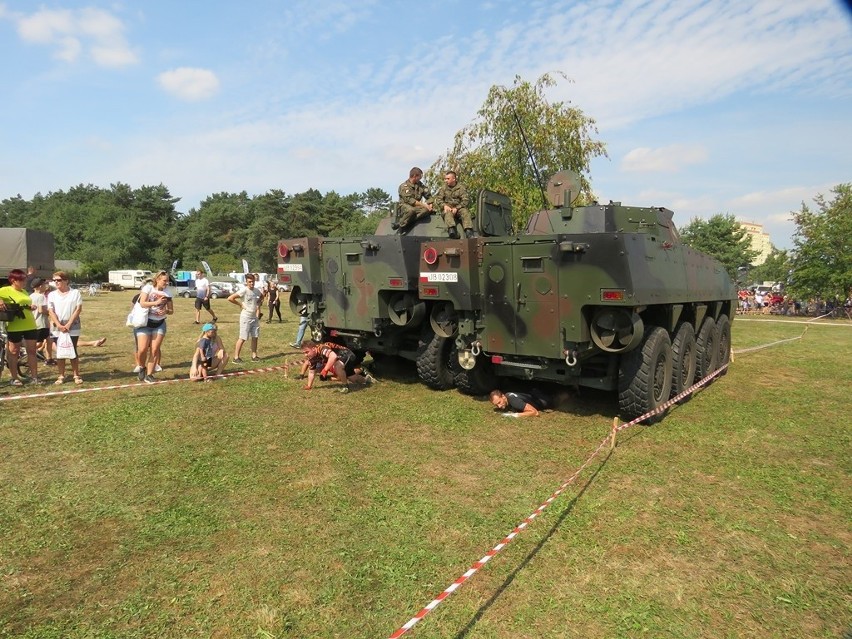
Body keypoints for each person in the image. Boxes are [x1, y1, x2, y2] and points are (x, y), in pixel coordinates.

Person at [0, 268, 42, 386]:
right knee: (13, 352)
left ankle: (34, 377)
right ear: (13, 280)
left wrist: (30, 306)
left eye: (24, 280)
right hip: (14, 326)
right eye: (21, 280)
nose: (24, 282)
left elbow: (24, 304)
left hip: (29, 324)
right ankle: (14, 377)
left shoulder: (23, 291)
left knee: (32, 351)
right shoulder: (5, 290)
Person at [134, 270, 174, 384]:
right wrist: (156, 303)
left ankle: (150, 374)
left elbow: (171, 311)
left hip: (160, 324)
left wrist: (165, 310)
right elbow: (142, 303)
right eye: (164, 281)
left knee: (155, 349)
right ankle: (142, 367)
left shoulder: (168, 293)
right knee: (142, 349)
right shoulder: (148, 288)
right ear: (157, 280)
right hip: (145, 323)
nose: (166, 283)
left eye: (168, 281)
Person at [47, 270, 84, 385]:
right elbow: (50, 310)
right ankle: (61, 375)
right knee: (60, 351)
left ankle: (76, 375)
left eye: (59, 280)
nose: (56, 282)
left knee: (72, 349)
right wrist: (58, 324)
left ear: (66, 281)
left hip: (73, 325)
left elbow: (78, 309)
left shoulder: (75, 293)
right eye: (55, 280)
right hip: (57, 326)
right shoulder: (51, 295)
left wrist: (68, 324)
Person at [300, 341, 373, 393]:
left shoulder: (322, 348)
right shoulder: (312, 358)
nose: (305, 355)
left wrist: (325, 370)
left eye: (307, 352)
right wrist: (309, 386)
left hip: (347, 354)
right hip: (341, 359)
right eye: (304, 353)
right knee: (352, 378)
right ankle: (367, 380)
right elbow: (311, 372)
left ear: (313, 348)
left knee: (337, 365)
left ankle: (345, 387)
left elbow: (333, 356)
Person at [228, 273, 263, 363]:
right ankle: (236, 358)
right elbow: (230, 298)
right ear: (246, 282)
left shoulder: (256, 290)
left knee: (255, 336)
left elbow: (262, 296)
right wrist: (240, 304)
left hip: (254, 317)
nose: (252, 283)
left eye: (253, 282)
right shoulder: (243, 290)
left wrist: (259, 304)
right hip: (245, 317)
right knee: (243, 337)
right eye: (250, 282)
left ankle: (254, 356)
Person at [434, 170, 474, 239]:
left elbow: (466, 200)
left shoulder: (461, 188)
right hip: (447, 208)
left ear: (454, 179)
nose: (446, 180)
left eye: (448, 179)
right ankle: (452, 230)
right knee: (448, 214)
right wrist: (444, 206)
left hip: (458, 208)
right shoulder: (443, 188)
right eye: (445, 179)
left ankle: (468, 232)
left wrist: (457, 208)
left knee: (465, 212)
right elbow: (438, 199)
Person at [394, 166, 433, 232]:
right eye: (420, 177)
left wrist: (430, 204)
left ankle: (404, 223)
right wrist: (424, 205)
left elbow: (428, 196)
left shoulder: (420, 185)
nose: (420, 178)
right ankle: (401, 226)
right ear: (415, 176)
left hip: (417, 207)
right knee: (411, 211)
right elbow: (410, 201)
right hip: (404, 207)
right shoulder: (404, 186)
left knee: (426, 211)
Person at [29, 278, 52, 364]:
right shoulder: (41, 296)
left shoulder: (31, 296)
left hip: (34, 322)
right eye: (44, 284)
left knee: (49, 340)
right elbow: (41, 310)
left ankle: (49, 358)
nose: (46, 286)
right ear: (40, 286)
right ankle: (25, 352)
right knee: (39, 343)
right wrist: (50, 313)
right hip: (41, 323)